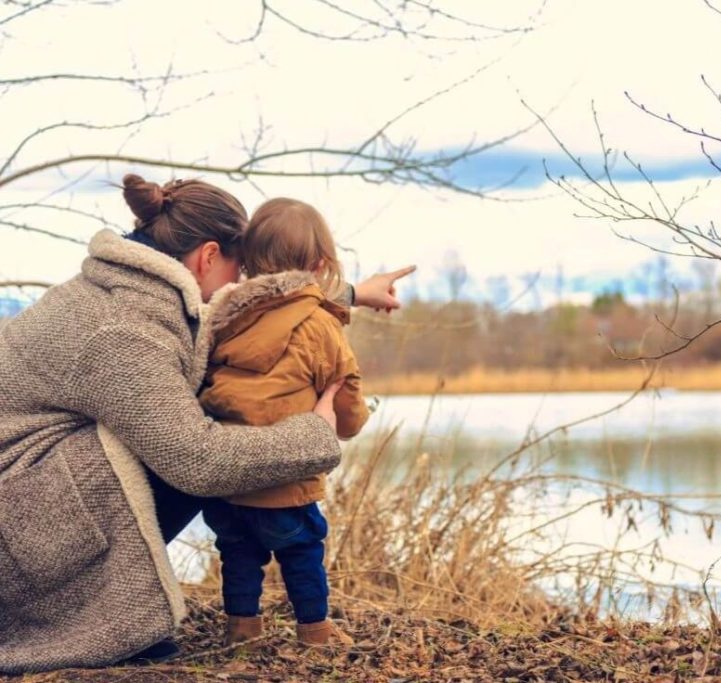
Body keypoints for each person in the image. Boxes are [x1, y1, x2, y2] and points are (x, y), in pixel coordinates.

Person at [0, 174, 414, 673]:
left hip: (22, 505)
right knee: (194, 432)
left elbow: (254, 308)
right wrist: (315, 434)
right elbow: (199, 461)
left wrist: (349, 292)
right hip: (14, 543)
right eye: (243, 268)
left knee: (188, 416)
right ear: (209, 256)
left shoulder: (131, 290)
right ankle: (83, 616)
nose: (246, 284)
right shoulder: (123, 331)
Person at [200, 198, 370, 649]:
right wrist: (351, 421)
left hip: (228, 478)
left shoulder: (222, 317)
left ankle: (242, 629)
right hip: (286, 481)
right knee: (302, 551)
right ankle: (315, 630)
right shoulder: (319, 324)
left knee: (238, 553)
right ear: (318, 264)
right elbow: (346, 401)